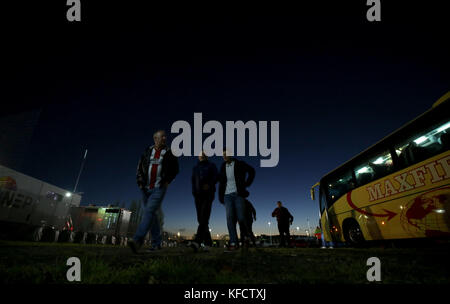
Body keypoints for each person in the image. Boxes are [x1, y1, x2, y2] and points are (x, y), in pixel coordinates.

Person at [128, 130, 179, 253]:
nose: (164, 139)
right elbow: (140, 167)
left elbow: (175, 169)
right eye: (162, 137)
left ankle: (137, 240)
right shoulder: (147, 151)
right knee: (153, 216)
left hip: (159, 188)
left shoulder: (169, 152)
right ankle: (157, 243)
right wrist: (140, 182)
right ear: (155, 138)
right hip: (145, 188)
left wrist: (167, 180)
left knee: (149, 211)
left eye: (165, 137)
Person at [219, 148, 255, 251]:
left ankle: (247, 236)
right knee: (230, 218)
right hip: (227, 196)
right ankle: (234, 243)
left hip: (238, 194)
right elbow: (221, 182)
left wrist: (247, 183)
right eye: (223, 155)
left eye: (226, 154)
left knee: (241, 218)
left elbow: (252, 171)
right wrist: (221, 196)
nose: (224, 156)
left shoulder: (240, 163)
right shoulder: (222, 166)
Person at [189, 151, 219, 252]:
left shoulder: (211, 165)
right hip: (197, 196)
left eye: (203, 154)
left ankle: (197, 242)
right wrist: (194, 192)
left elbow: (216, 176)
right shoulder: (195, 168)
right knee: (201, 219)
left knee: (204, 217)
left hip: (208, 194)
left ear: (206, 156)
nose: (201, 155)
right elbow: (193, 180)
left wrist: (209, 184)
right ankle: (208, 243)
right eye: (200, 154)